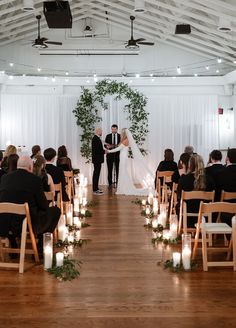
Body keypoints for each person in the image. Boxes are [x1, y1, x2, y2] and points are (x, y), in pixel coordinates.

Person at [0, 156, 60, 253]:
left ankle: (13, 244)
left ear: (18, 166)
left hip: (4, 224)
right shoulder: (35, 180)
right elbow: (43, 206)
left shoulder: (4, 178)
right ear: (30, 167)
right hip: (26, 224)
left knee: (13, 214)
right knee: (55, 211)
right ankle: (40, 247)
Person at [107, 128, 154, 195]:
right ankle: (123, 187)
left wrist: (109, 151)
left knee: (123, 172)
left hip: (123, 158)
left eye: (121, 133)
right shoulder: (125, 140)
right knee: (123, 172)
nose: (120, 134)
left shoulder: (125, 140)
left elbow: (118, 149)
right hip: (123, 157)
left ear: (124, 134)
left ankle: (124, 188)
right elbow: (118, 147)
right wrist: (111, 147)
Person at [177, 154, 214, 227]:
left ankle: (183, 227)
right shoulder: (209, 179)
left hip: (187, 217)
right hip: (204, 217)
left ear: (190, 165)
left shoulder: (184, 179)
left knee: (177, 205)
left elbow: (179, 197)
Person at [105, 124, 121, 188]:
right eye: (112, 129)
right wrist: (108, 146)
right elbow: (105, 145)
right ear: (111, 129)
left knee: (117, 169)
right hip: (109, 156)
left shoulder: (120, 136)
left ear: (117, 129)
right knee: (109, 170)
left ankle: (117, 182)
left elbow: (121, 145)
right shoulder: (108, 136)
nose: (113, 130)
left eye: (115, 129)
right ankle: (110, 183)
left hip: (117, 155)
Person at [92, 128, 106, 194]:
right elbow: (97, 150)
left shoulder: (97, 138)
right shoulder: (95, 139)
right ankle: (95, 189)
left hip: (97, 159)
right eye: (101, 131)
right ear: (97, 131)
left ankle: (96, 188)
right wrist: (104, 151)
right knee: (96, 174)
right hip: (97, 159)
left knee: (97, 174)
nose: (101, 132)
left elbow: (98, 148)